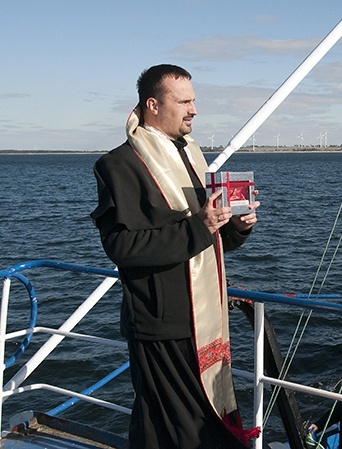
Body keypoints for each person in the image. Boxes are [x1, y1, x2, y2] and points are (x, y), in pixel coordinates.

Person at [91, 64, 260, 449]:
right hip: (161, 323)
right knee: (171, 428)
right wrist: (202, 225)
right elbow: (122, 248)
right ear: (153, 105)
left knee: (191, 426)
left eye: (193, 101)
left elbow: (204, 240)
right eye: (183, 102)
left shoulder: (190, 156)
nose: (194, 110)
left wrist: (235, 227)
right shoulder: (119, 165)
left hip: (204, 319)